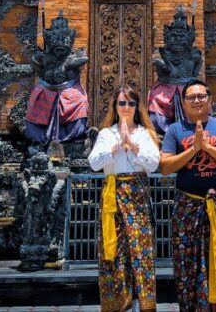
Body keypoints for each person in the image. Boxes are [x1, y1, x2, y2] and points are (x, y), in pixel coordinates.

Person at [160, 80, 216, 311]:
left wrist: (208, 148)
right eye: (191, 97)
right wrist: (193, 149)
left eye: (201, 96)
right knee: (187, 262)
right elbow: (165, 167)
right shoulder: (175, 130)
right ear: (183, 103)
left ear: (210, 100)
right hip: (188, 207)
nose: (196, 101)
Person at [88, 86, 161, 312]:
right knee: (114, 249)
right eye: (122, 103)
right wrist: (116, 146)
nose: (126, 107)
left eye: (131, 103)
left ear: (137, 107)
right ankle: (118, 305)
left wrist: (134, 146)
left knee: (140, 249)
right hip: (113, 194)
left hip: (137, 194)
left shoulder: (145, 133)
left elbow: (154, 164)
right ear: (115, 106)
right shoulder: (106, 134)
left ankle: (142, 305)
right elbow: (94, 163)